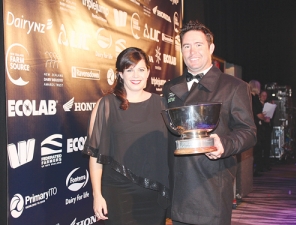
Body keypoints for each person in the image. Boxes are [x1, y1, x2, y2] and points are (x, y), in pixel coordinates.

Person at [162, 20, 257, 225]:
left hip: (211, 185)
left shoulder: (234, 87)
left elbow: (249, 131)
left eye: (198, 45)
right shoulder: (170, 87)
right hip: (178, 187)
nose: (192, 51)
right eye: (186, 46)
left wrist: (225, 144)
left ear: (211, 48)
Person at [83, 47, 170, 225]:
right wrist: (97, 195)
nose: (135, 75)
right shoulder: (106, 105)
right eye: (129, 70)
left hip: (153, 195)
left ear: (148, 73)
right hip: (117, 193)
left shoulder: (162, 104)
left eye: (141, 69)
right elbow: (95, 157)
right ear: (121, 74)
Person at [249, 80, 264, 176]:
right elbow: (258, 114)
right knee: (256, 148)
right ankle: (254, 170)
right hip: (255, 125)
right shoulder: (254, 98)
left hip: (249, 124)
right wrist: (264, 117)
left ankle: (252, 170)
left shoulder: (247, 96)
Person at [259, 90, 273, 171]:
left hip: (267, 127)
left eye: (265, 95)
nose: (264, 97)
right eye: (262, 95)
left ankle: (266, 164)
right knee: (261, 147)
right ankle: (260, 165)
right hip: (261, 128)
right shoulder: (257, 105)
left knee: (267, 147)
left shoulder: (267, 105)